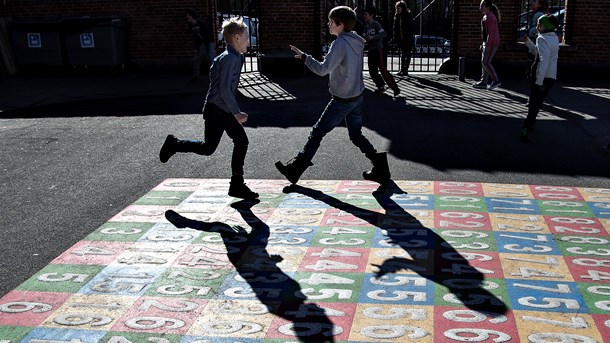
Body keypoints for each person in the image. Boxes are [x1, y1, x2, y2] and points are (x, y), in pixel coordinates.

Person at [275, 6, 391, 186]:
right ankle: (380, 167)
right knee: (355, 134)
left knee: (317, 132)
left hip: (343, 99)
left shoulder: (340, 43)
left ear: (340, 24)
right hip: (357, 96)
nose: (328, 24)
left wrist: (305, 58)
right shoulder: (356, 41)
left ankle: (295, 169)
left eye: (331, 21)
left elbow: (323, 69)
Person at [159, 17, 259, 199]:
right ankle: (174, 144)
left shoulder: (234, 57)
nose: (248, 39)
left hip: (220, 109)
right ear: (236, 38)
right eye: (246, 36)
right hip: (217, 110)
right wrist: (236, 112)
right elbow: (224, 90)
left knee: (222, 145)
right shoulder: (230, 59)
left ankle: (236, 184)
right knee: (223, 145)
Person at [519, 14, 560, 142]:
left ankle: (526, 127)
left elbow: (543, 60)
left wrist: (538, 81)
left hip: (540, 76)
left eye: (539, 24)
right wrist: (528, 42)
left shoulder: (542, 38)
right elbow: (538, 51)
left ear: (546, 26)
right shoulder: (554, 38)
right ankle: (531, 124)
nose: (537, 27)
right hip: (551, 77)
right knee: (538, 102)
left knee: (533, 103)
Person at [362, 5, 400, 96]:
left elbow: (383, 34)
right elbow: (363, 36)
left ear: (371, 15)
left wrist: (374, 37)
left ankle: (395, 89)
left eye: (366, 14)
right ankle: (380, 86)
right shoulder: (366, 27)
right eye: (364, 14)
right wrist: (364, 38)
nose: (364, 16)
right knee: (372, 71)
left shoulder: (376, 24)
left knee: (383, 70)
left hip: (378, 50)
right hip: (371, 51)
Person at [472, 0, 501, 90]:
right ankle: (484, 81)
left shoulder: (491, 17)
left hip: (492, 43)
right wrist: (483, 43)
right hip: (487, 43)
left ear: (487, 6)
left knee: (486, 62)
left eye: (482, 6)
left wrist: (488, 45)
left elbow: (491, 34)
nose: (480, 8)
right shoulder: (485, 17)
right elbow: (484, 33)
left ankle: (496, 80)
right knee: (483, 62)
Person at [186, 8, 213, 82]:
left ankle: (214, 76)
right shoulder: (191, 25)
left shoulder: (201, 24)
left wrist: (208, 47)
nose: (187, 17)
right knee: (196, 59)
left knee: (210, 59)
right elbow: (196, 37)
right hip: (201, 43)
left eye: (188, 15)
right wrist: (197, 48)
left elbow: (207, 36)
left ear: (192, 16)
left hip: (209, 42)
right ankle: (196, 75)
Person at [526, 0, 547, 80]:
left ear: (539, 4)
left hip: (535, 43)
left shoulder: (539, 14)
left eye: (534, 1)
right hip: (533, 42)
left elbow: (541, 27)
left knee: (533, 61)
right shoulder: (537, 14)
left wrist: (530, 31)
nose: (531, 2)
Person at [393, 1, 413, 76]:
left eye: (398, 8)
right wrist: (396, 37)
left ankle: (405, 69)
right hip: (401, 38)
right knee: (403, 54)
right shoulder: (397, 16)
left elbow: (410, 28)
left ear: (402, 8)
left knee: (407, 54)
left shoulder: (407, 16)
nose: (397, 9)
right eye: (396, 8)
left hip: (407, 38)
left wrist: (409, 36)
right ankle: (402, 69)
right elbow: (395, 28)